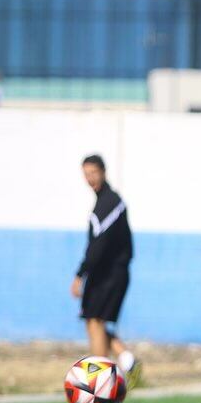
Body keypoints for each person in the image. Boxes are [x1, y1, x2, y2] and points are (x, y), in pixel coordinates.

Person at [70, 154, 141, 388]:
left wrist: (81, 274)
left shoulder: (109, 203)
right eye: (86, 174)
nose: (90, 178)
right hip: (106, 272)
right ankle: (127, 359)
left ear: (103, 172)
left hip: (110, 272)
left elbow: (98, 245)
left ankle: (100, 380)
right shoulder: (105, 202)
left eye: (93, 173)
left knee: (95, 321)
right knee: (94, 320)